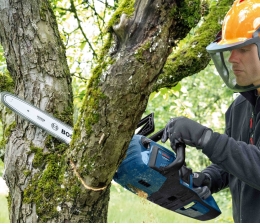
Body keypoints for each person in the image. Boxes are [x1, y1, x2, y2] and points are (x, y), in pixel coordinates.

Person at [161, 0, 260, 222]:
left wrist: (206, 138)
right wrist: (206, 178)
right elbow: (235, 162)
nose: (233, 59)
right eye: (231, 49)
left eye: (243, 49)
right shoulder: (240, 107)